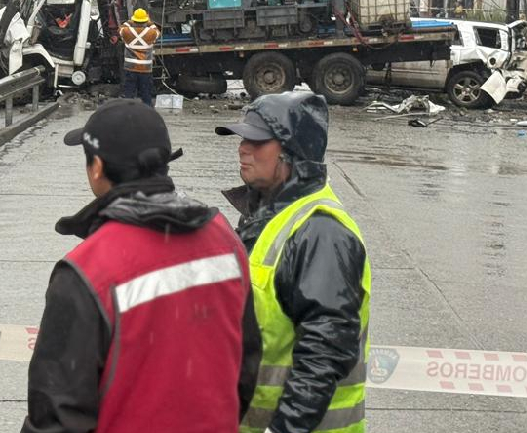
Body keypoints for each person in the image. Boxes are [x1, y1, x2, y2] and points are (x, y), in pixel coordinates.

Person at [22, 99, 261, 433]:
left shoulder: (86, 270)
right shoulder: (224, 238)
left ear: (97, 168)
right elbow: (246, 367)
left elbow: (56, 418)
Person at [215, 91, 371, 433]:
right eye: (242, 138)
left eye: (256, 141)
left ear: (290, 152)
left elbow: (324, 352)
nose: (243, 148)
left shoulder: (320, 232)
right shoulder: (268, 213)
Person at [119, 9, 160, 106]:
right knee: (146, 94)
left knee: (129, 92)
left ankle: (127, 112)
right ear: (145, 20)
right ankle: (148, 113)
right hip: (145, 69)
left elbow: (121, 28)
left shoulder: (126, 32)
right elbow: (157, 31)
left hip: (131, 67)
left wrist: (130, 21)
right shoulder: (151, 33)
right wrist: (149, 22)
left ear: (134, 20)